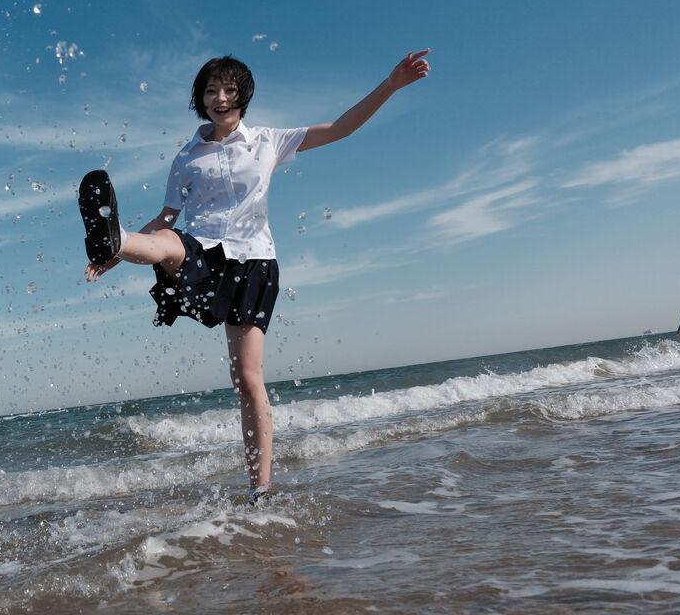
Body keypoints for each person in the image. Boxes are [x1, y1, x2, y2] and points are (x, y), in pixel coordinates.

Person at [78, 50, 431, 504]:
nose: (219, 98)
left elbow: (340, 128)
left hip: (253, 263)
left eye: (228, 90)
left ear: (243, 95)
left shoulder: (268, 141)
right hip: (202, 250)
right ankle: (115, 239)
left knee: (247, 379)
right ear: (200, 100)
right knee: (168, 240)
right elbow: (166, 217)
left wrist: (391, 84)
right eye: (210, 91)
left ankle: (260, 490)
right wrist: (115, 256)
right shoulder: (186, 157)